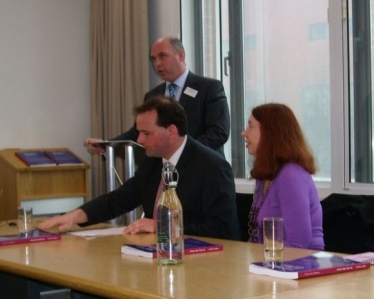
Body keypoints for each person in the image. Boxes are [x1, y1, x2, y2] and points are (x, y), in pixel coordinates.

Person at [39, 96, 240, 240]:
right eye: (139, 132)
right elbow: (121, 198)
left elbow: (221, 229)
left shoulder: (212, 166)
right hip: (159, 255)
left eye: (146, 133)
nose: (139, 139)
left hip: (205, 263)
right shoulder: (151, 161)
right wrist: (77, 215)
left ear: (171, 131)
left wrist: (162, 225)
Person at [85, 36, 230, 157]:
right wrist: (107, 145)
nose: (157, 64)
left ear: (180, 55)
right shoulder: (153, 95)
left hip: (202, 171)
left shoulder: (209, 88)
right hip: (163, 174)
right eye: (153, 59)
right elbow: (137, 133)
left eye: (162, 56)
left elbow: (218, 132)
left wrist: (182, 153)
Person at [241, 103, 324, 250]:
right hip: (271, 263)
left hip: (299, 266)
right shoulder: (265, 175)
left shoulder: (291, 176)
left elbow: (298, 244)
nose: (244, 133)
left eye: (250, 126)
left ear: (269, 133)